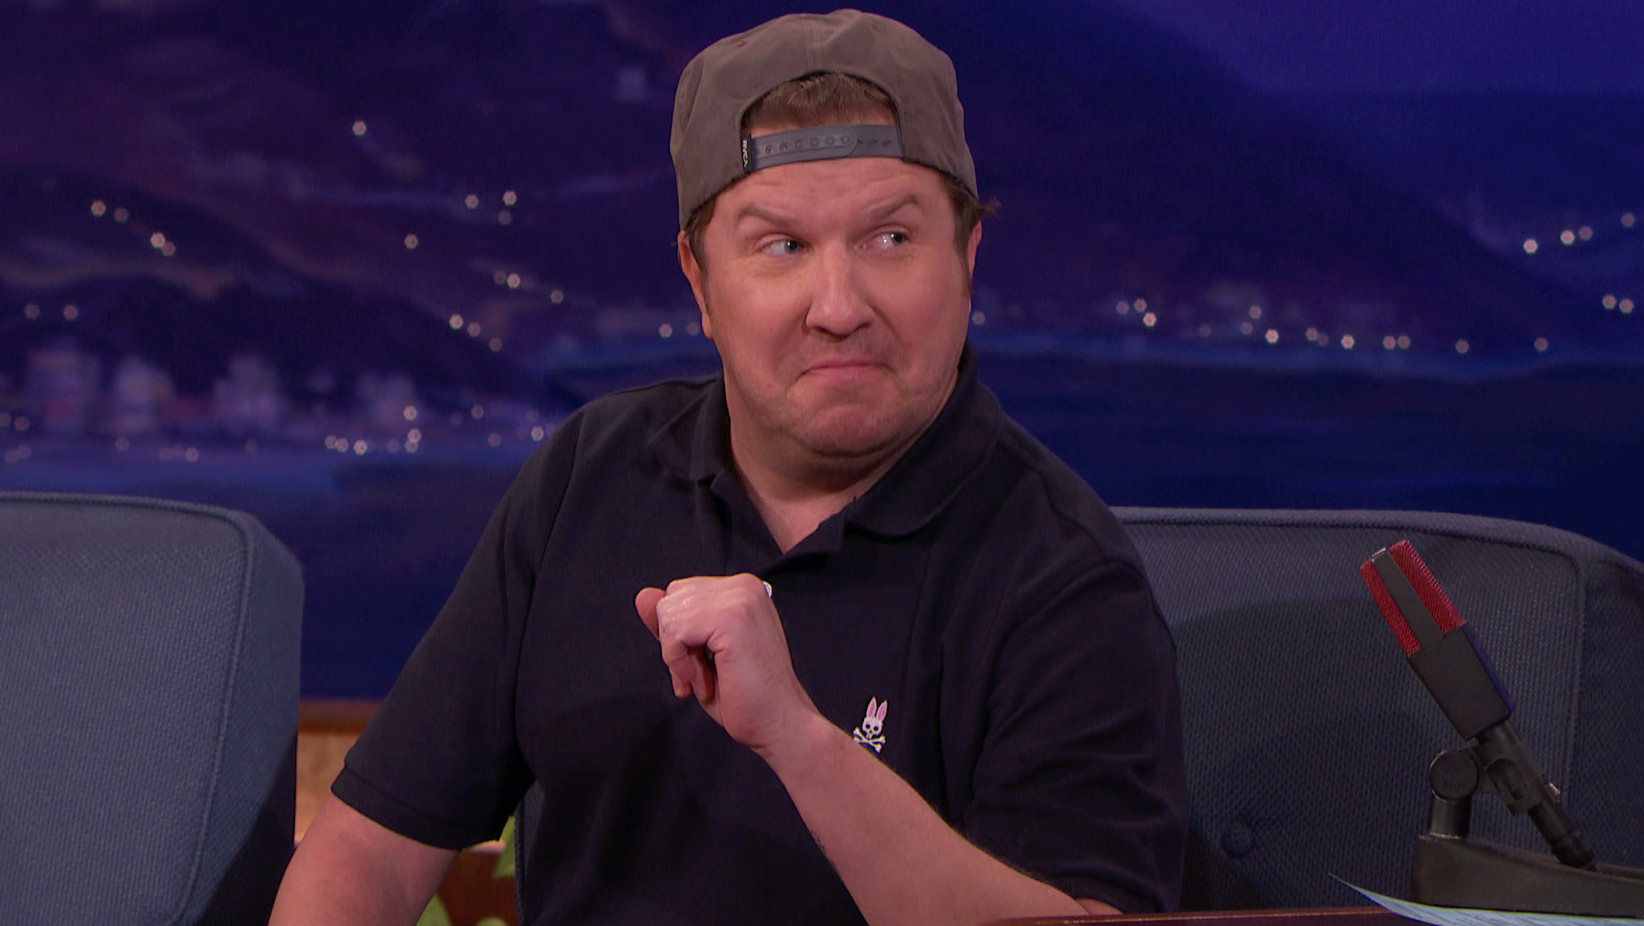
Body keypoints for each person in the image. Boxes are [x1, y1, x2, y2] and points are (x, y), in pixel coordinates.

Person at [271, 10, 1187, 925]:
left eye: (890, 240)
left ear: (967, 258)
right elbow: (366, 852)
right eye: (783, 246)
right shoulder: (587, 478)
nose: (838, 306)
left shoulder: (1062, 575)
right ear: (700, 281)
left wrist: (796, 739)